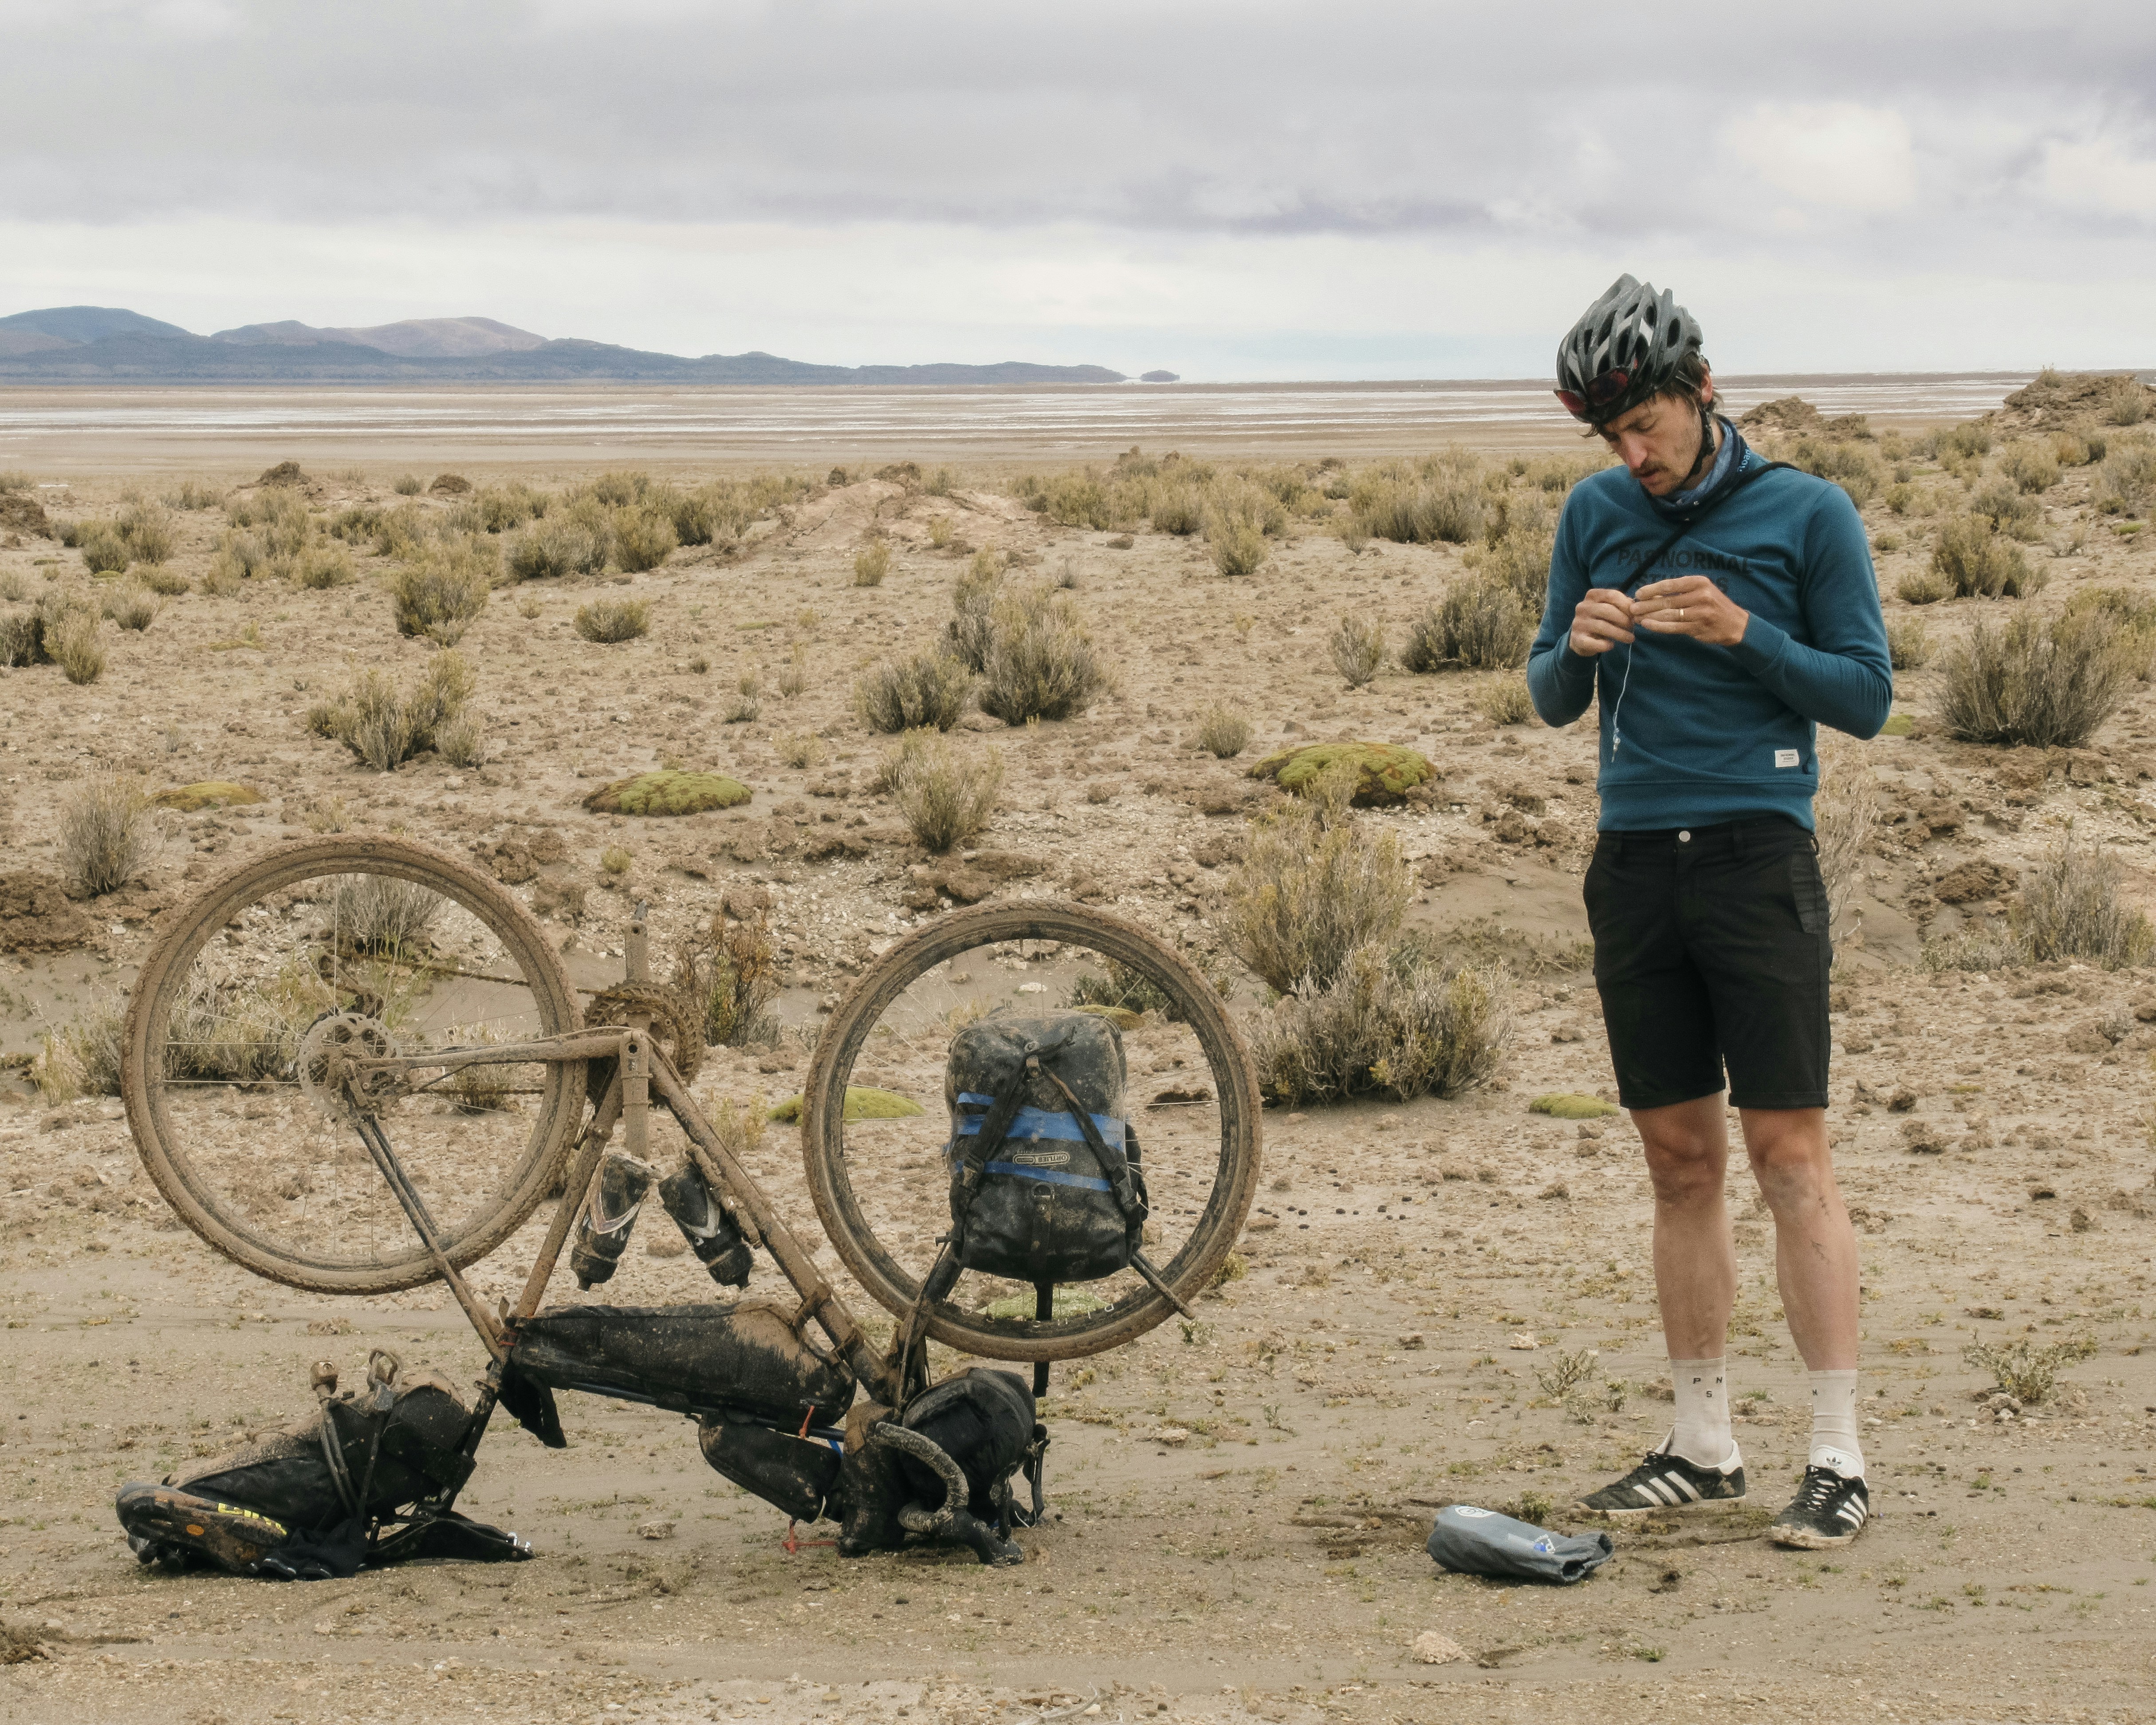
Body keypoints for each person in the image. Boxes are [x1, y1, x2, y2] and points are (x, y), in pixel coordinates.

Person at [1527, 276, 1892, 1549]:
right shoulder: (1594, 512)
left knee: (1788, 1157)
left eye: (1647, 425)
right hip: (1632, 862)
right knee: (1677, 1165)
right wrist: (1570, 646)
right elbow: (1545, 698)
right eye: (1613, 436)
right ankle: (1701, 1444)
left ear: (1698, 389)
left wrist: (1744, 633)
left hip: (1753, 855)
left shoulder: (1806, 511)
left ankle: (1836, 1457)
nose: (1634, 454)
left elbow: (1863, 697)